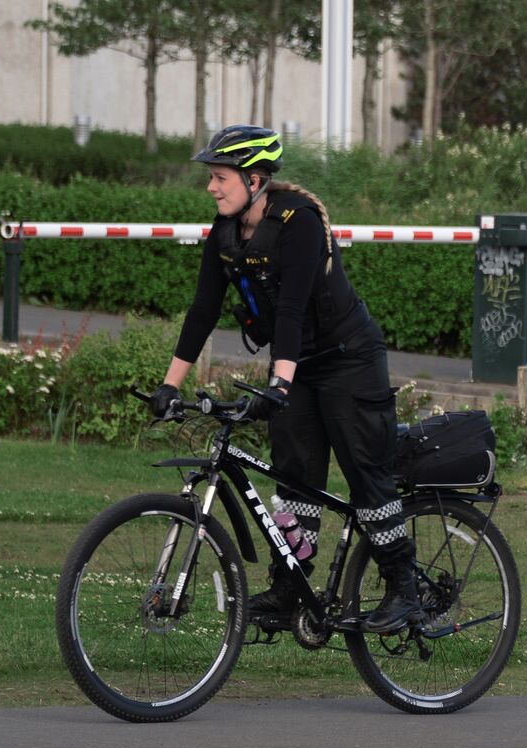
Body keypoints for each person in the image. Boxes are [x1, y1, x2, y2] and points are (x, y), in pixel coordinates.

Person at [148, 124, 419, 635]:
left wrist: (280, 385)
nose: (211, 187)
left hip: (349, 358)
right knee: (294, 477)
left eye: (220, 177)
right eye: (211, 177)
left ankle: (405, 589)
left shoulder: (300, 222)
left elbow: (292, 308)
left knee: (365, 474)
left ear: (254, 179)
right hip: (296, 365)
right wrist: (170, 385)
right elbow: (202, 310)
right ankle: (291, 587)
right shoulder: (225, 230)